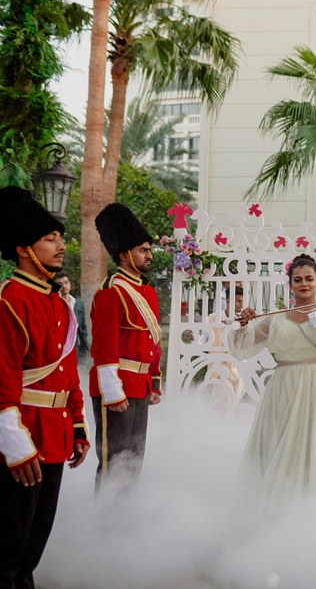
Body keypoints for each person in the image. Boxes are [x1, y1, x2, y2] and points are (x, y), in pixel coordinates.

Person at [0, 186, 89, 589]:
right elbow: (4, 376)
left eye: (59, 237)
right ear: (24, 249)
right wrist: (14, 443)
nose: (61, 245)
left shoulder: (57, 302)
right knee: (8, 546)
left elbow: (68, 371)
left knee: (35, 541)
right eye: (50, 239)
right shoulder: (11, 300)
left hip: (54, 432)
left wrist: (77, 425)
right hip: (23, 435)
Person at [229, 254, 316, 503]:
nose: (304, 284)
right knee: (280, 442)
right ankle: (279, 501)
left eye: (309, 279)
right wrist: (243, 324)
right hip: (284, 387)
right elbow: (243, 348)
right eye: (298, 279)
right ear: (290, 284)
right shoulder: (277, 317)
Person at [90, 203, 162, 490]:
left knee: (134, 460)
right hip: (117, 387)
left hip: (140, 385)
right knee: (114, 461)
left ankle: (126, 515)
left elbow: (153, 342)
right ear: (124, 254)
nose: (149, 255)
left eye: (148, 250)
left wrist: (154, 382)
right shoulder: (111, 291)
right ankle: (105, 516)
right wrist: (112, 392)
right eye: (143, 250)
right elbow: (103, 348)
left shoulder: (148, 292)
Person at [207, 285, 246, 406]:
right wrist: (195, 339)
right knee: (223, 403)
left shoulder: (244, 320)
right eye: (238, 301)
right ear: (228, 301)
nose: (241, 305)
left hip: (238, 369)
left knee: (233, 405)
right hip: (219, 369)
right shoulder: (213, 318)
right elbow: (203, 339)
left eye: (242, 301)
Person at [52, 272, 88, 354]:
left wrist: (84, 343)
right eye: (59, 284)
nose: (64, 286)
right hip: (60, 346)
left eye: (66, 282)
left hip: (77, 347)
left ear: (70, 283)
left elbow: (83, 326)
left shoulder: (79, 303)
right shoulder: (53, 304)